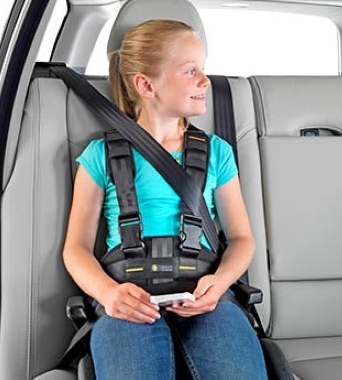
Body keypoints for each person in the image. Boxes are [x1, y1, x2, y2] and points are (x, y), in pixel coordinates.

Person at [63, 19, 268, 380]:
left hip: (206, 296)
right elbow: (76, 248)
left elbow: (242, 239)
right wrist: (109, 295)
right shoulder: (101, 156)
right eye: (191, 71)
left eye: (203, 69)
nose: (205, 80)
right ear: (146, 84)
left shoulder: (216, 153)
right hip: (129, 297)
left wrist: (220, 283)